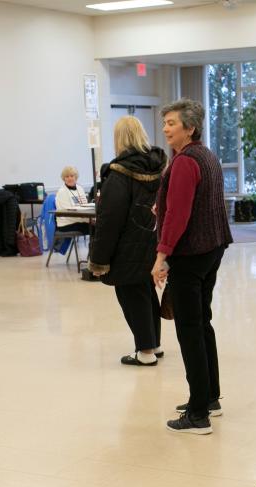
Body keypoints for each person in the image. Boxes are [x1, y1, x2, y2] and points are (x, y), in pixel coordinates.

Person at [152, 99, 233, 434]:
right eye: (165, 123)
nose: (166, 128)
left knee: (189, 329)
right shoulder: (207, 155)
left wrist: (161, 255)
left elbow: (178, 214)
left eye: (172, 123)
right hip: (211, 248)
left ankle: (198, 413)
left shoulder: (186, 161)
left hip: (191, 253)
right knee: (202, 322)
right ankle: (209, 396)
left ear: (190, 127)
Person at [88, 116, 168, 366]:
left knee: (131, 295)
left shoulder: (119, 173)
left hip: (126, 246)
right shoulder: (158, 167)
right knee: (146, 291)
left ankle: (144, 352)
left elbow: (109, 219)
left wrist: (99, 259)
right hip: (151, 241)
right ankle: (153, 344)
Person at [54, 166, 92, 237]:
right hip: (66, 224)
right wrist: (88, 220)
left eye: (72, 176)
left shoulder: (80, 188)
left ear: (76, 177)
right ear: (64, 178)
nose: (70, 178)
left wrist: (90, 219)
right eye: (67, 176)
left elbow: (86, 207)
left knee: (99, 226)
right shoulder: (62, 192)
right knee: (96, 228)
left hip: (78, 220)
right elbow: (68, 214)